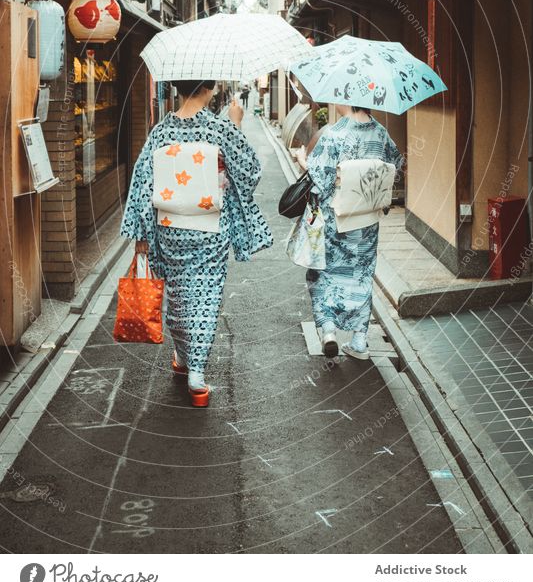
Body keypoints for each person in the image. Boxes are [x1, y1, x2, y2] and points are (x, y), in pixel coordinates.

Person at [120, 80, 273, 406]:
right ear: (211, 89)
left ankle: (182, 354)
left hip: (169, 227)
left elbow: (142, 180)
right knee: (205, 297)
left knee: (177, 296)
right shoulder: (220, 128)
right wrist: (235, 124)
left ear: (177, 88)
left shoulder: (160, 133)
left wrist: (141, 234)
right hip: (210, 227)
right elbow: (250, 170)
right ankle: (197, 374)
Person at [297, 106, 402, 361]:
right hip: (366, 221)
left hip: (336, 219)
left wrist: (302, 160)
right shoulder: (381, 133)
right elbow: (396, 165)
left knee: (324, 271)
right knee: (362, 276)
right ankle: (359, 340)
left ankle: (329, 330)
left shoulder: (334, 134)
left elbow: (318, 180)